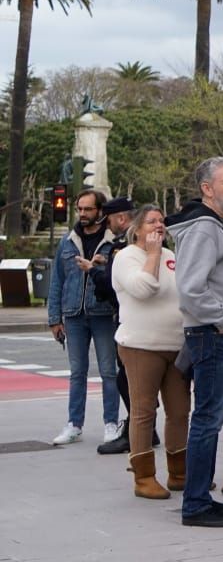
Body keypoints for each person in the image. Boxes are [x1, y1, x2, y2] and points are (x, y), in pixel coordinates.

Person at [168, 157, 223, 529]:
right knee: (207, 420)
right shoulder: (205, 227)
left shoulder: (211, 224)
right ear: (207, 189)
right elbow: (191, 288)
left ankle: (201, 496)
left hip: (215, 333)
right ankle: (195, 506)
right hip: (213, 334)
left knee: (210, 419)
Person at [111, 205, 189, 500]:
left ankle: (179, 472)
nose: (159, 226)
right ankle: (143, 476)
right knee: (144, 411)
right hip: (141, 345)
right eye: (152, 221)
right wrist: (153, 254)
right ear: (137, 228)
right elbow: (144, 289)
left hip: (176, 345)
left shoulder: (172, 257)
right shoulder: (127, 257)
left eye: (161, 221)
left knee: (180, 410)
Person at [46, 188, 123, 447]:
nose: (83, 214)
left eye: (88, 209)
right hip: (73, 314)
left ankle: (111, 424)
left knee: (108, 372)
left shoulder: (112, 242)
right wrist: (54, 318)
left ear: (101, 211)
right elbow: (57, 279)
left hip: (102, 313)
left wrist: (103, 266)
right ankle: (74, 424)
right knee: (76, 372)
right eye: (79, 209)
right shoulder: (68, 240)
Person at [92, 196, 138, 456]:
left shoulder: (124, 246)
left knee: (128, 378)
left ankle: (137, 430)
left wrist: (94, 270)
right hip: (131, 317)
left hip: (130, 318)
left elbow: (113, 285)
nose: (108, 226)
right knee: (129, 377)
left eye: (109, 220)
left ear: (121, 218)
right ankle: (141, 427)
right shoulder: (127, 244)